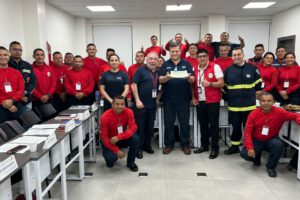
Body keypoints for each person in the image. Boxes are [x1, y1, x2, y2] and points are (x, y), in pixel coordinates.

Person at [240, 92, 300, 177]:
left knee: (279, 145)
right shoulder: (253, 114)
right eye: (263, 101)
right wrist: (250, 148)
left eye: (269, 101)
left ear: (273, 102)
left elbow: (295, 115)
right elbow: (247, 132)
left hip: (271, 140)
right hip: (256, 140)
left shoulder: (280, 112)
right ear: (259, 102)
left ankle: (271, 167)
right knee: (245, 154)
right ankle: (256, 157)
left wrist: (298, 119)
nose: (266, 103)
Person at [223, 47, 262, 155]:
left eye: (238, 54)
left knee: (249, 129)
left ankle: (248, 147)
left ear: (243, 55)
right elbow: (224, 87)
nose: (236, 57)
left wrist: (257, 92)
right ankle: (234, 146)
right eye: (234, 55)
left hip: (249, 106)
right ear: (232, 57)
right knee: (235, 128)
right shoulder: (228, 70)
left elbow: (259, 83)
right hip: (234, 106)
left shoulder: (252, 68)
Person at [159, 41, 195, 155]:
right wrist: (166, 78)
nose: (174, 53)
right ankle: (169, 145)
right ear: (169, 52)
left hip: (184, 99)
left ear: (180, 51)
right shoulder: (165, 64)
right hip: (168, 99)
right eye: (172, 51)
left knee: (184, 123)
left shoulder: (186, 63)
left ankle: (185, 145)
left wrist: (188, 78)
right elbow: (160, 79)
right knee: (168, 123)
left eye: (176, 51)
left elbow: (192, 80)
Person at [192, 49, 224, 159]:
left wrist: (209, 83)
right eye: (200, 56)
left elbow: (221, 83)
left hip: (213, 101)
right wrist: (193, 98)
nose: (202, 58)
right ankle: (204, 146)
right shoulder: (194, 69)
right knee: (203, 125)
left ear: (208, 57)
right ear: (196, 58)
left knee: (214, 125)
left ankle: (215, 148)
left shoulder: (215, 67)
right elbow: (192, 86)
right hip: (200, 101)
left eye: (204, 56)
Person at [100, 95, 139, 172]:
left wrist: (119, 137)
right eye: (117, 104)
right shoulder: (105, 117)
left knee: (136, 139)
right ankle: (109, 156)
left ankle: (131, 162)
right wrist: (117, 150)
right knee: (111, 160)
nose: (120, 106)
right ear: (112, 104)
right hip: (110, 141)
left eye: (122, 104)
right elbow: (104, 138)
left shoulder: (129, 112)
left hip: (121, 138)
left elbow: (133, 128)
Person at [131, 52, 159, 159]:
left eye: (155, 59)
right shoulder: (140, 70)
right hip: (140, 106)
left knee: (150, 128)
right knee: (140, 129)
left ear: (157, 61)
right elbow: (133, 85)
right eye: (150, 59)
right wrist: (137, 100)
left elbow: (160, 87)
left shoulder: (158, 72)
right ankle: (138, 149)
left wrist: (158, 98)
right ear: (147, 60)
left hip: (152, 105)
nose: (152, 61)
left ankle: (147, 145)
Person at [8, 41, 36, 111]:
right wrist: (19, 95)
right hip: (12, 102)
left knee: (28, 120)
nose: (18, 52)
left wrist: (25, 92)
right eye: (15, 49)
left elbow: (33, 81)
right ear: (9, 51)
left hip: (27, 99)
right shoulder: (6, 65)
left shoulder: (27, 65)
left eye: (20, 50)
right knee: (14, 122)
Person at [0, 46, 25, 123]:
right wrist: (5, 103)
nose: (3, 57)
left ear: (9, 56)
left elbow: (21, 89)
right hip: (1, 108)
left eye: (5, 55)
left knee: (22, 131)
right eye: (0, 55)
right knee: (4, 134)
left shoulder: (16, 72)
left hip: (16, 105)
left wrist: (12, 100)